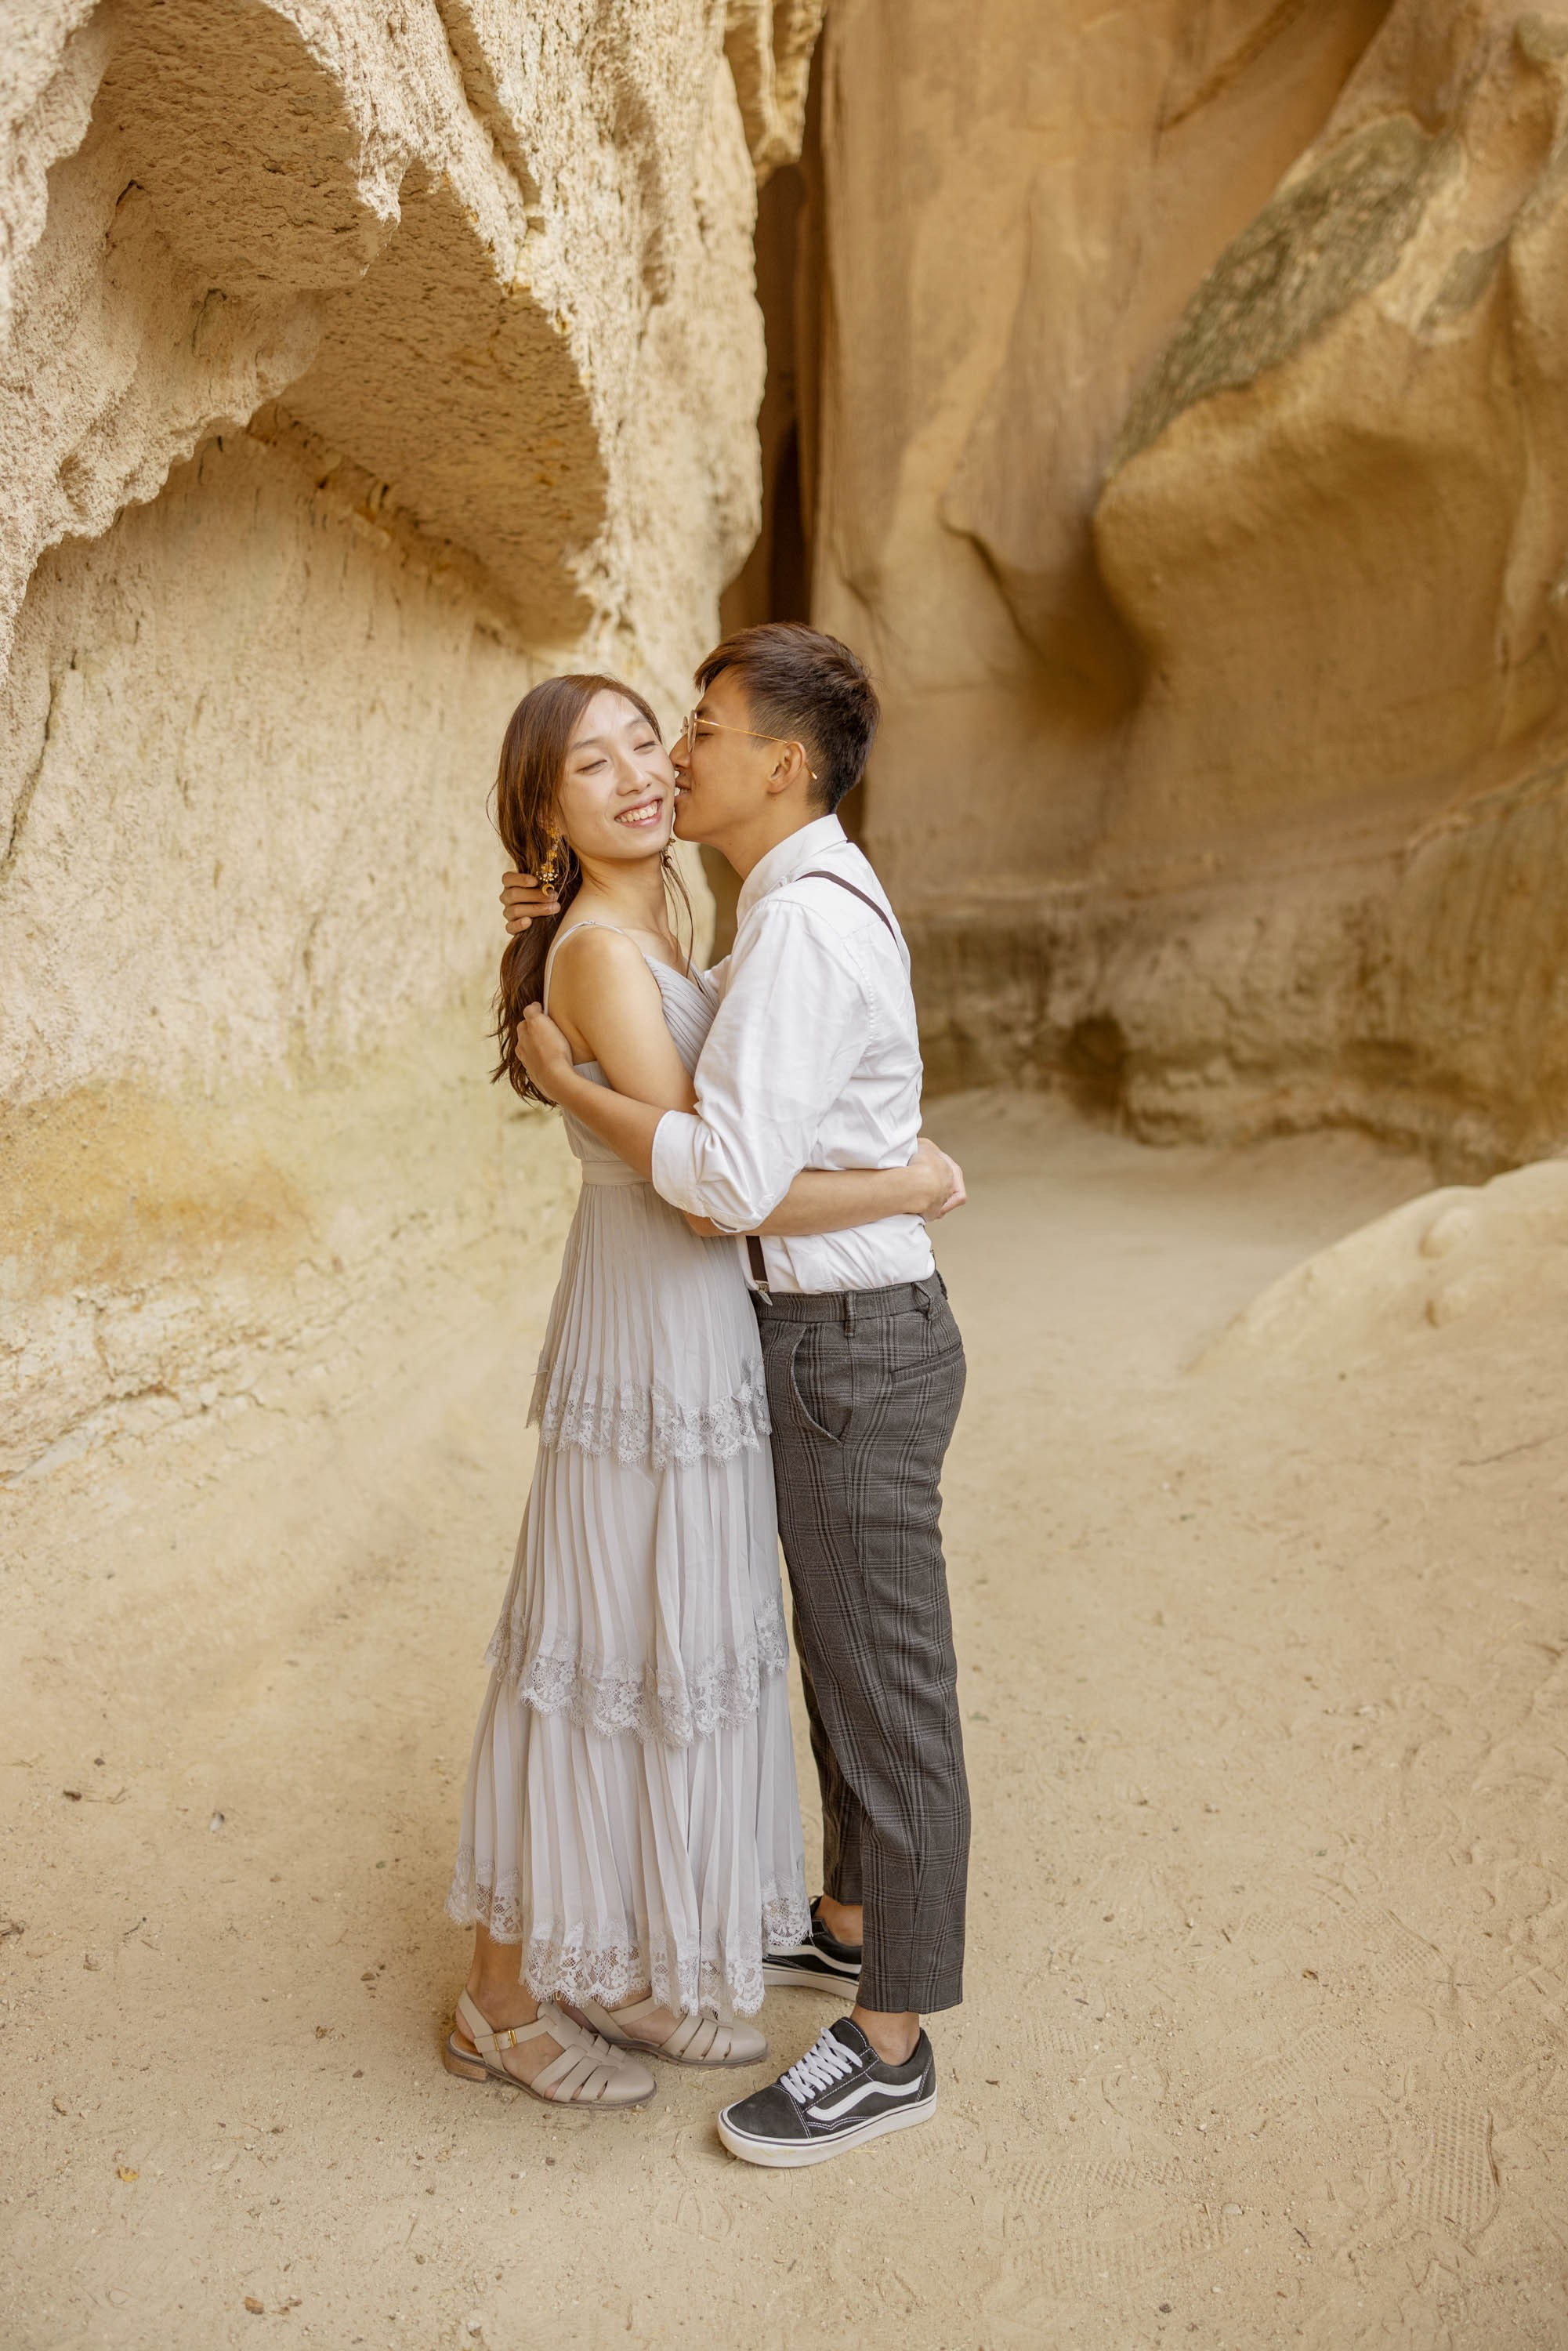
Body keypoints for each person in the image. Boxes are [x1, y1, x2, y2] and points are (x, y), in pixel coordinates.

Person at [444, 671, 962, 2113]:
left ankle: (611, 1962)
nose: (646, 770)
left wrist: (551, 927)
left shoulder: (691, 923)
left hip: (697, 1326)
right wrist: (910, 1181)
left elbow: (713, 1134)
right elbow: (707, 1184)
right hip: (651, 1328)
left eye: (654, 740)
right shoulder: (615, 950)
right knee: (592, 1641)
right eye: (593, 764)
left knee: (660, 1644)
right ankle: (498, 2001)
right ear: (546, 812)